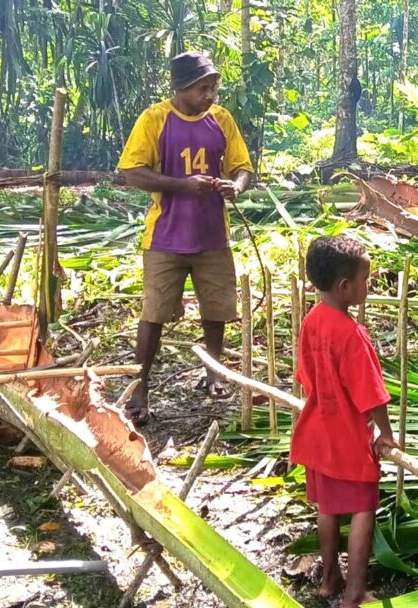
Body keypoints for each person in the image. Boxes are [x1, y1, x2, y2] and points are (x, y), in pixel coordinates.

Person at [116, 51, 253, 425]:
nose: (210, 95)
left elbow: (242, 168)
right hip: (165, 236)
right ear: (181, 87)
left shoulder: (221, 120)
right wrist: (181, 186)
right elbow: (132, 171)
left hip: (213, 236)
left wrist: (235, 187)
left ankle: (213, 370)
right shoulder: (155, 119)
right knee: (154, 313)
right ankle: (139, 386)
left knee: (216, 309)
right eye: (202, 88)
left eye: (213, 88)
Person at [290, 235, 398, 607]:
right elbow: (371, 395)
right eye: (366, 279)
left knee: (328, 507)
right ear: (344, 286)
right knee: (363, 508)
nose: (369, 285)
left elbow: (306, 377)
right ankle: (354, 591)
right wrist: (385, 432)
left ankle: (330, 578)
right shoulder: (352, 335)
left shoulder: (312, 322)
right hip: (347, 438)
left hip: (316, 432)